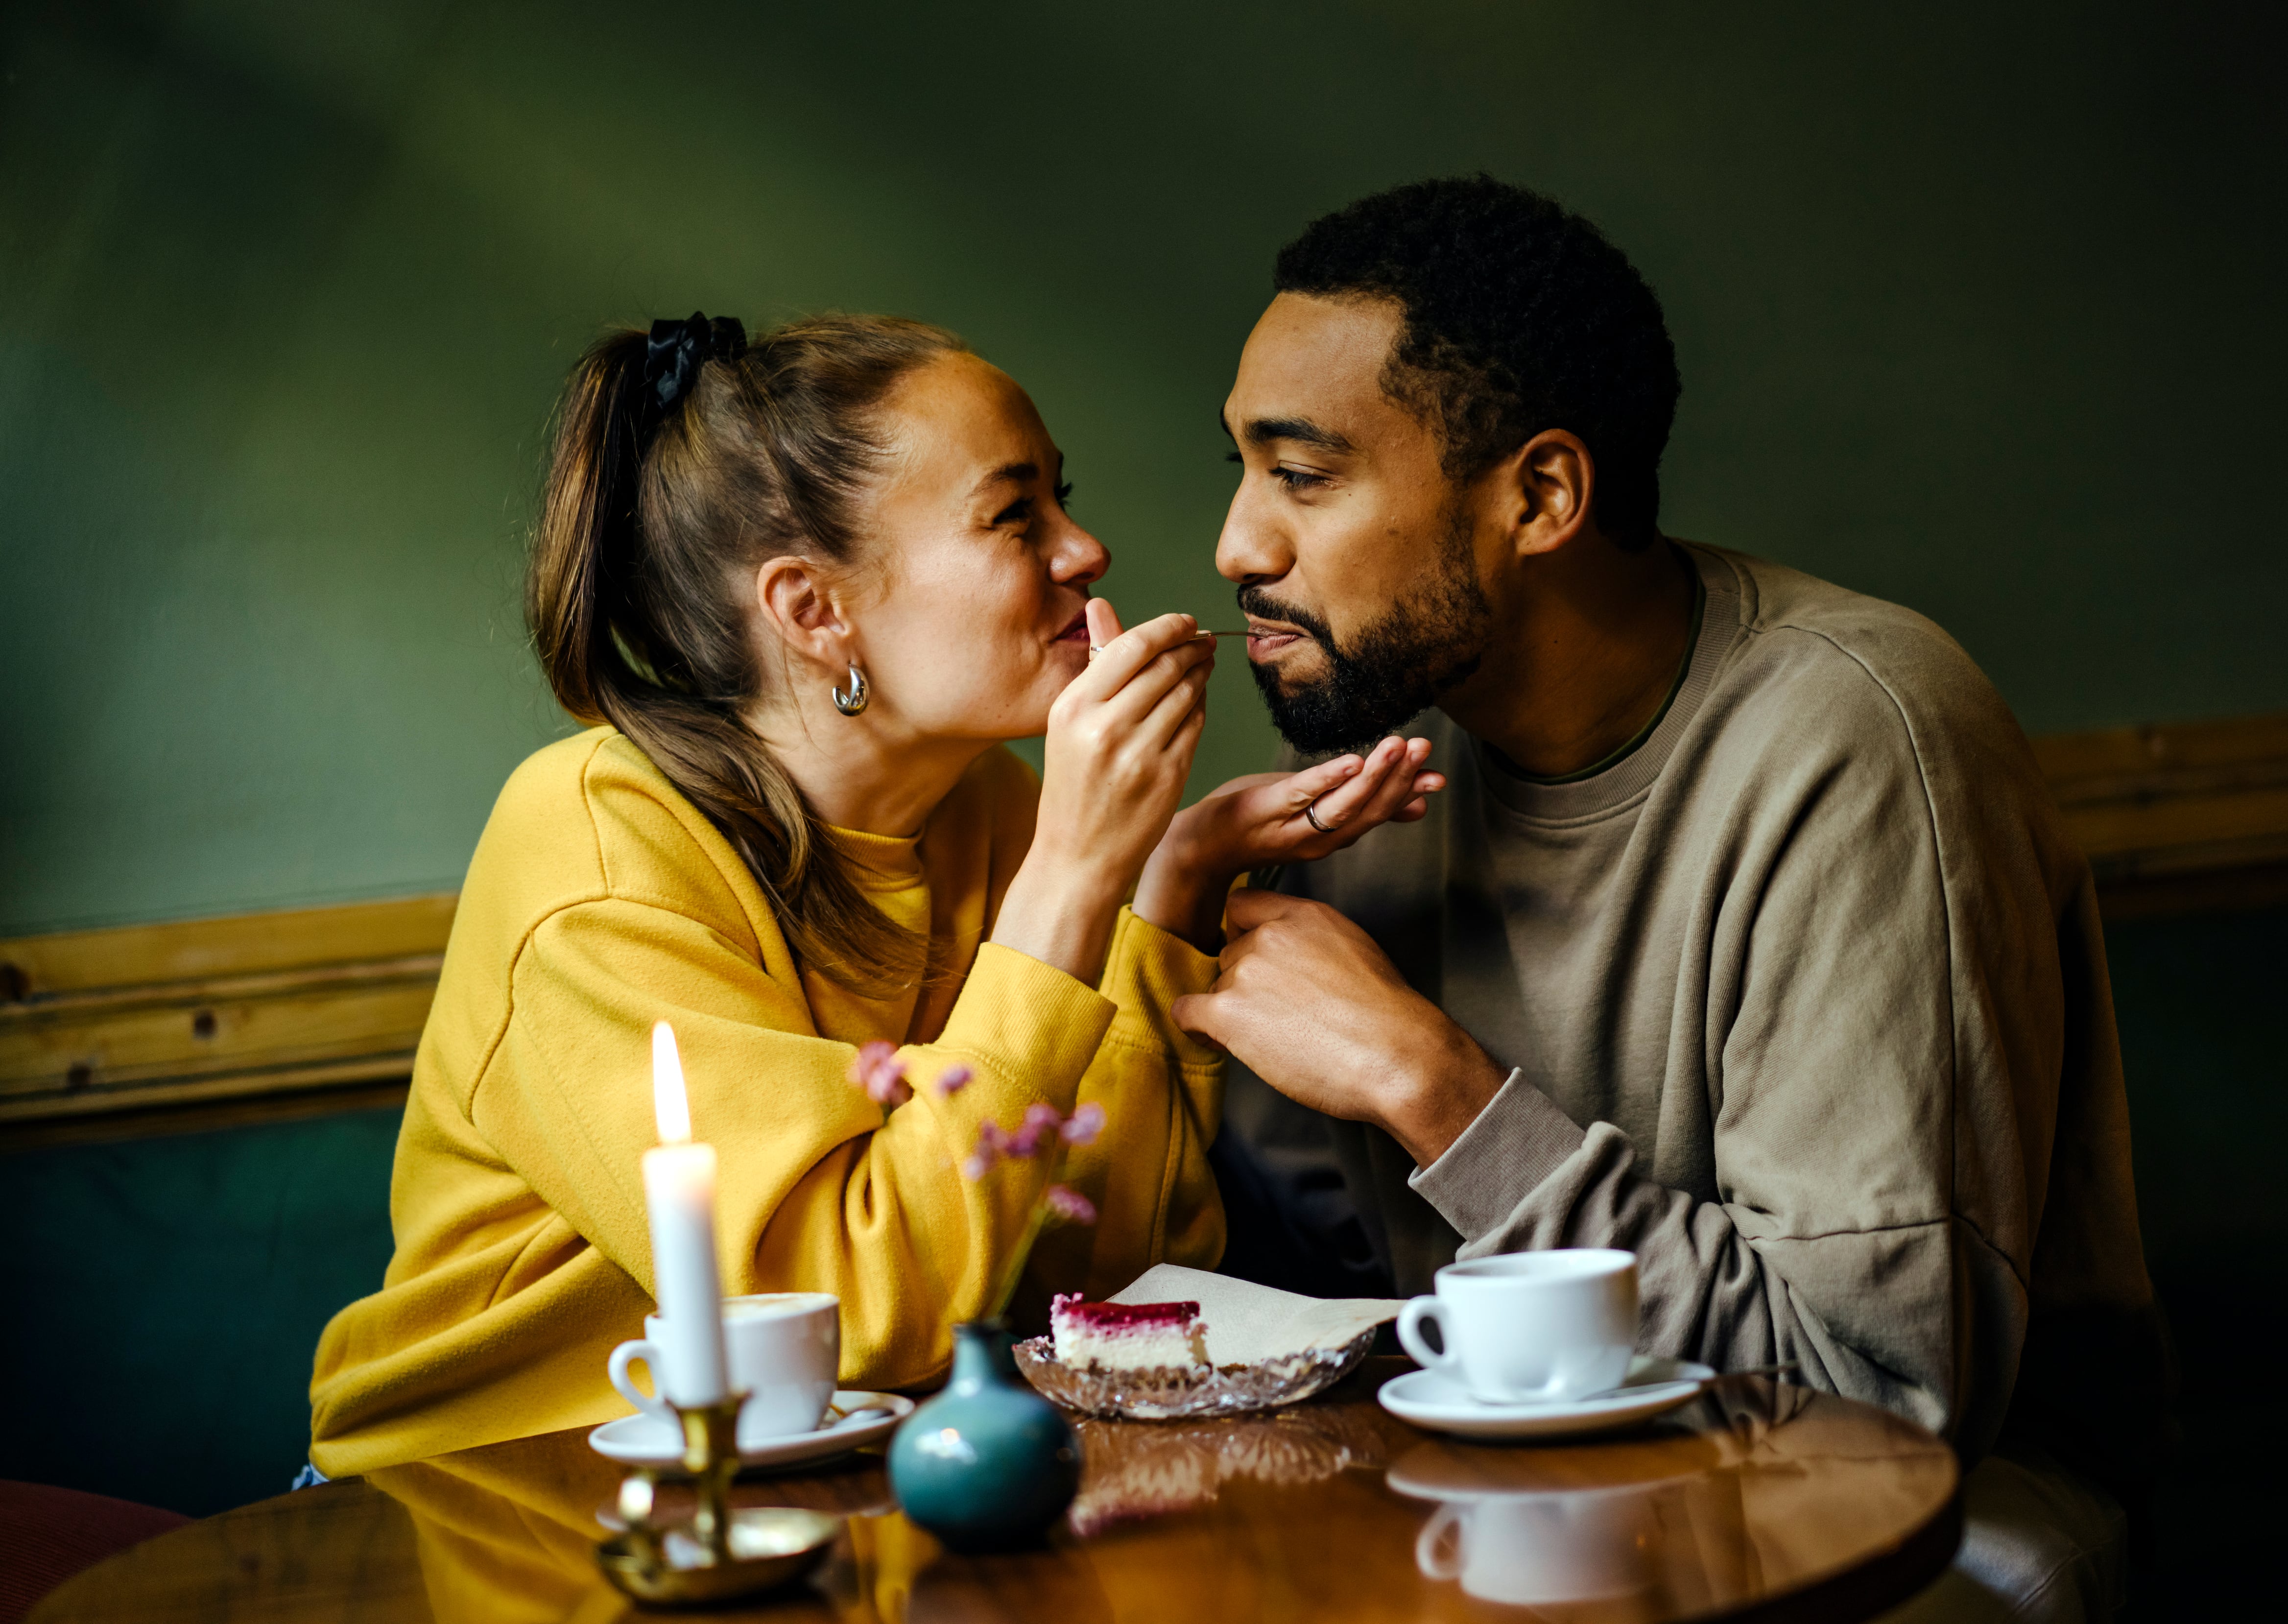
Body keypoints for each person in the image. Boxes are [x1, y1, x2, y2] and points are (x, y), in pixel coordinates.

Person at [1175, 180, 2172, 1621]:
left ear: (1542, 496)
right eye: (1242, 468)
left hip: (1927, 1521)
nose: (1237, 546)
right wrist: (1126, 906)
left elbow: (1867, 1407)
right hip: (1497, 1484)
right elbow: (1296, 1285)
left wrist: (1430, 1082)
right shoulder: (1375, 757)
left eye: (1304, 475)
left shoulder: (1858, 742)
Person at [308, 312, 1435, 1478]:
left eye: (1063, 499)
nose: (1084, 548)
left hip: (830, 1490)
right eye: (1014, 515)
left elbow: (1107, 1278)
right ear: (811, 609)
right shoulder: (596, 849)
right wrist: (1073, 876)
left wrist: (1158, 889)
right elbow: (843, 1318)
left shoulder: (990, 807)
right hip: (483, 1500)